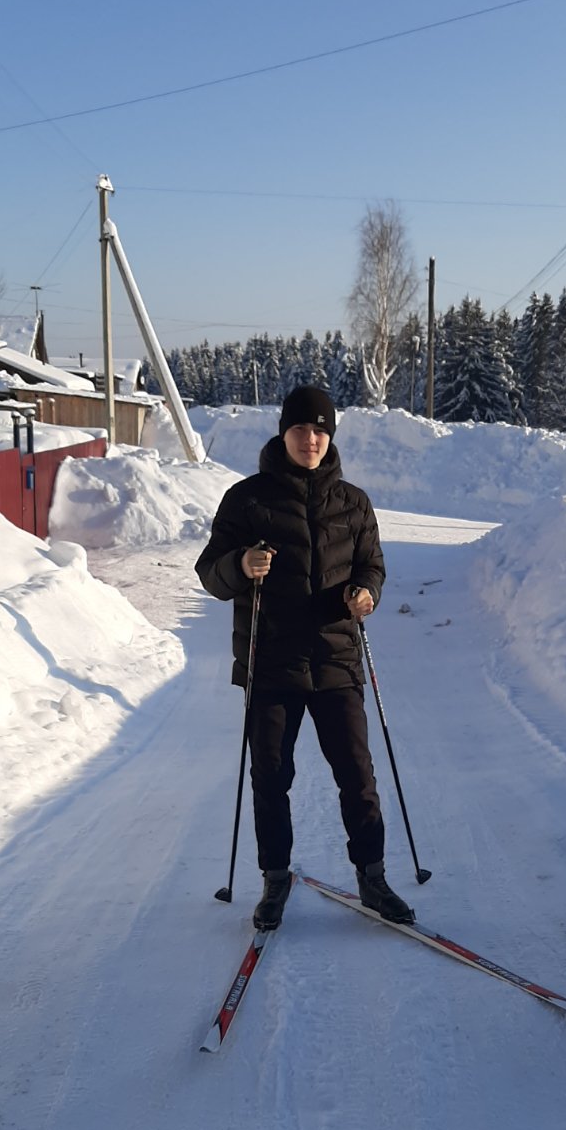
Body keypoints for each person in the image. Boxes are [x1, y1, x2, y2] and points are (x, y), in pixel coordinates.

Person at [196, 384, 415, 932]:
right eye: (301, 429)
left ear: (330, 436)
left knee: (357, 774)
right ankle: (275, 879)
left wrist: (367, 593)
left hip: (337, 658)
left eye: (320, 430)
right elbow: (209, 572)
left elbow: (372, 567)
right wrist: (241, 564)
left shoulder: (354, 503)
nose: (311, 439)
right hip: (270, 661)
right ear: (283, 433)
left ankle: (372, 876)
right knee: (271, 776)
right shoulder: (247, 500)